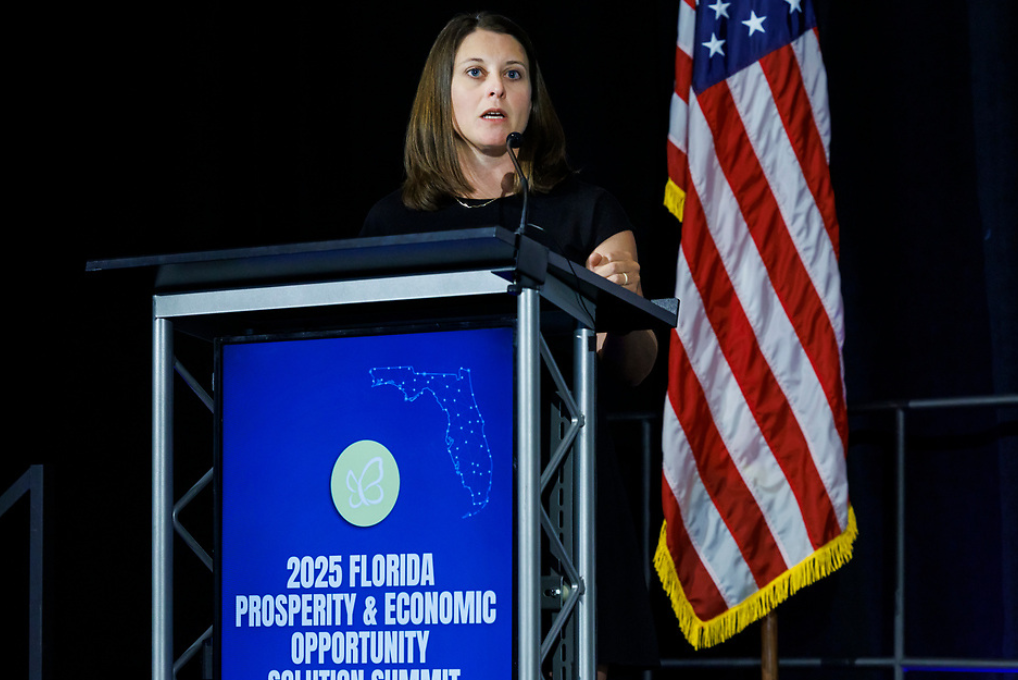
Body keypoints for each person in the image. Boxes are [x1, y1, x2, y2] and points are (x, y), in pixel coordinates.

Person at [361, 12, 659, 676]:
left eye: (513, 75)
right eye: (476, 73)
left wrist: (625, 309)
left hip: (566, 490)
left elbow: (637, 369)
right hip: (437, 490)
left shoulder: (588, 211)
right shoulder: (390, 222)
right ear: (443, 95)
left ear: (532, 98)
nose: (496, 89)